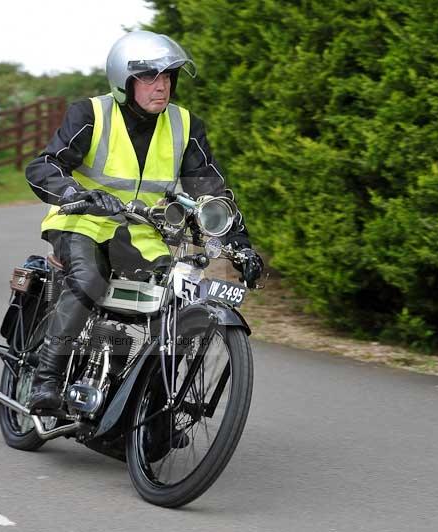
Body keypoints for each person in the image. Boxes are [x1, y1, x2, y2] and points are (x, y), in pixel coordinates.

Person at [24, 30, 264, 411]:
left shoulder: (186, 125)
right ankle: (46, 379)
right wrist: (74, 194)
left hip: (142, 233)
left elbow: (210, 193)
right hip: (81, 222)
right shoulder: (91, 113)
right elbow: (44, 165)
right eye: (151, 77)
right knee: (88, 280)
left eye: (168, 77)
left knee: (178, 300)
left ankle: (144, 406)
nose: (162, 87)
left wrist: (239, 247)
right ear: (125, 81)